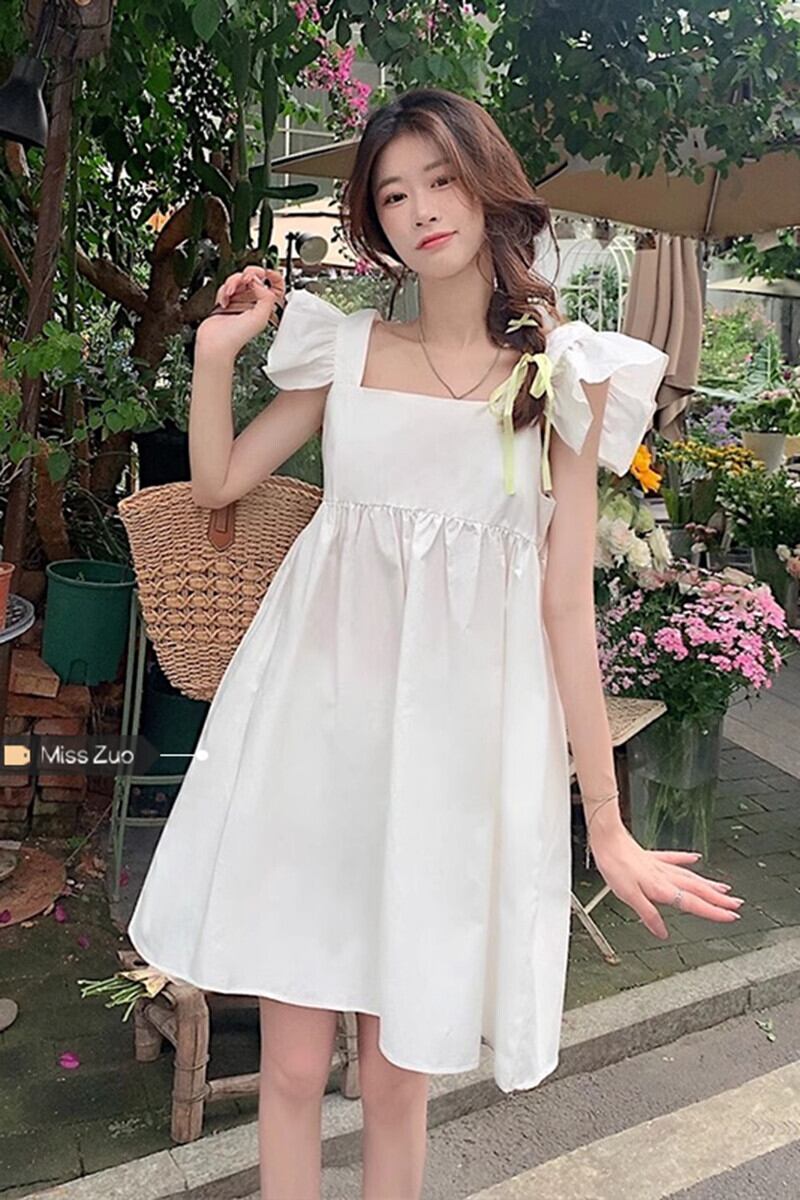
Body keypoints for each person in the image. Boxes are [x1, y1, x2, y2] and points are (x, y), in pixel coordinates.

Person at [127, 86, 743, 1200]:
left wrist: (604, 821)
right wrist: (216, 355)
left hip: (446, 756)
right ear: (374, 220)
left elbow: (564, 607)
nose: (420, 210)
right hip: (312, 738)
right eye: (393, 194)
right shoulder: (346, 348)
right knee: (292, 1069)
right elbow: (216, 483)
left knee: (397, 1075)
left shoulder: (559, 376)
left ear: (487, 186)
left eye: (440, 181)